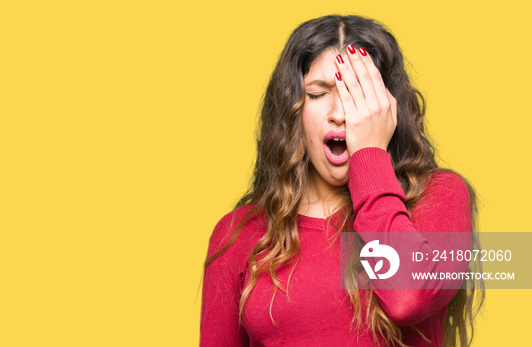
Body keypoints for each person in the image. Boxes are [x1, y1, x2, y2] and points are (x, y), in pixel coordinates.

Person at [200, 15, 483, 347]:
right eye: (319, 93)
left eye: (357, 95)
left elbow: (408, 297)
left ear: (387, 108)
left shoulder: (438, 199)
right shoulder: (239, 235)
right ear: (292, 110)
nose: (340, 113)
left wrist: (369, 155)